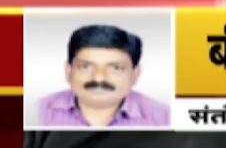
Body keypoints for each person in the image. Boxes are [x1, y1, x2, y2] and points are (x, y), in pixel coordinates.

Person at [35, 24, 170, 127]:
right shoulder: (37, 112)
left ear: (135, 75)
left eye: (115, 68)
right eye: (86, 66)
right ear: (68, 71)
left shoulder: (164, 117)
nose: (98, 78)